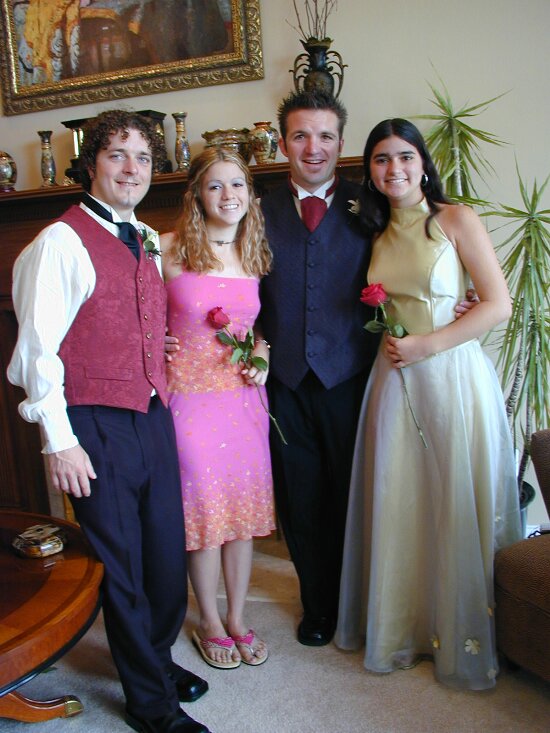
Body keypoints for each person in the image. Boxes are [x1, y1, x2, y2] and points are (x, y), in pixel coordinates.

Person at [7, 110, 211, 733]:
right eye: (117, 154)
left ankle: (153, 661)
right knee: (122, 568)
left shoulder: (145, 236)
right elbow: (37, 352)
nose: (132, 168)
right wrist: (59, 442)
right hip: (93, 422)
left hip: (151, 413)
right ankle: (151, 705)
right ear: (91, 164)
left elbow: (130, 316)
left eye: (143, 157)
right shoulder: (59, 242)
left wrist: (153, 346)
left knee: (164, 558)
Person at [334, 118, 522, 690]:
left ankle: (464, 630)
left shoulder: (455, 219)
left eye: (404, 156)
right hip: (393, 380)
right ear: (369, 170)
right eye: (381, 159)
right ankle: (408, 626)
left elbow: (498, 304)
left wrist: (428, 344)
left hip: (450, 375)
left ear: (422, 162)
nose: (394, 168)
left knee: (452, 494)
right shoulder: (372, 232)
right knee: (404, 498)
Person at [259, 90, 378, 646]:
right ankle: (319, 606)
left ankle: (365, 604)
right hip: (284, 382)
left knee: (356, 494)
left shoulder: (371, 205)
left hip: (352, 377)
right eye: (301, 135)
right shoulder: (253, 208)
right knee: (301, 499)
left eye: (325, 135)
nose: (314, 147)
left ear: (340, 143)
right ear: (283, 143)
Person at [160, 148, 274, 669]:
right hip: (188, 399)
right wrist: (152, 342)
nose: (229, 196)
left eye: (237, 185)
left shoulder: (254, 254)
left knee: (242, 515)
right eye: (215, 186)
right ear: (197, 196)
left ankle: (237, 616)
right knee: (204, 511)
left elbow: (258, 330)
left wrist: (263, 355)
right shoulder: (167, 249)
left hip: (242, 400)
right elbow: (136, 313)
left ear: (250, 194)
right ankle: (207, 619)